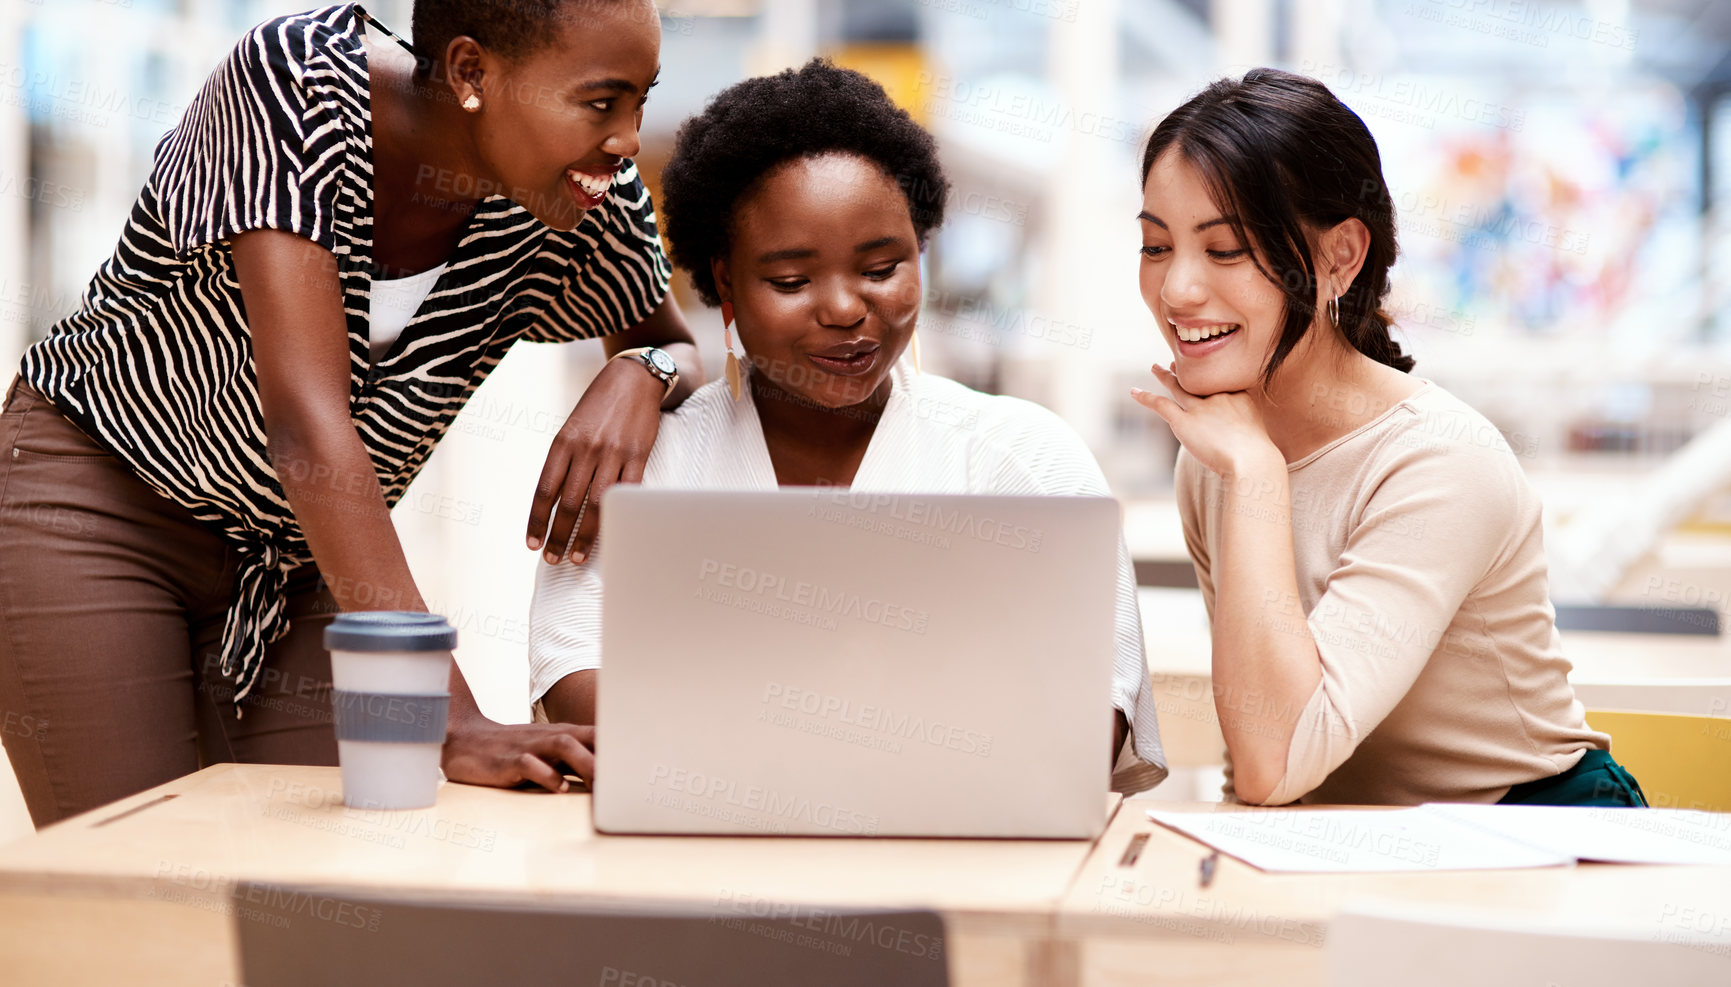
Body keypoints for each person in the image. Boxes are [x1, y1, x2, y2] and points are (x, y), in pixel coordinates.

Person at [0, 0, 702, 827]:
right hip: (98, 508)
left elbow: (683, 353)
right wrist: (446, 713)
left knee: (358, 860)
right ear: (468, 70)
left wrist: (638, 373)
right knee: (147, 869)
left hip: (298, 562)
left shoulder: (581, 202)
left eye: (639, 101)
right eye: (598, 102)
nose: (624, 141)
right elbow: (304, 419)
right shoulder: (296, 85)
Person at [529, 60, 1167, 792]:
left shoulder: (1024, 460)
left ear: (920, 255)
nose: (842, 307)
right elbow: (575, 687)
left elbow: (1083, 727)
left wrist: (748, 734)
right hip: (690, 874)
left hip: (959, 877)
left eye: (881, 266)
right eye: (791, 280)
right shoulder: (646, 467)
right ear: (725, 284)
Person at [1131, 68, 1643, 807]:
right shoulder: (1217, 456)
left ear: (1339, 256)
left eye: (1225, 250)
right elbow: (1258, 739)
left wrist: (1255, 477)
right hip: (1353, 840)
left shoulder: (1436, 459)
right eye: (1154, 247)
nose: (1176, 289)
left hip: (1534, 831)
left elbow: (1274, 759)